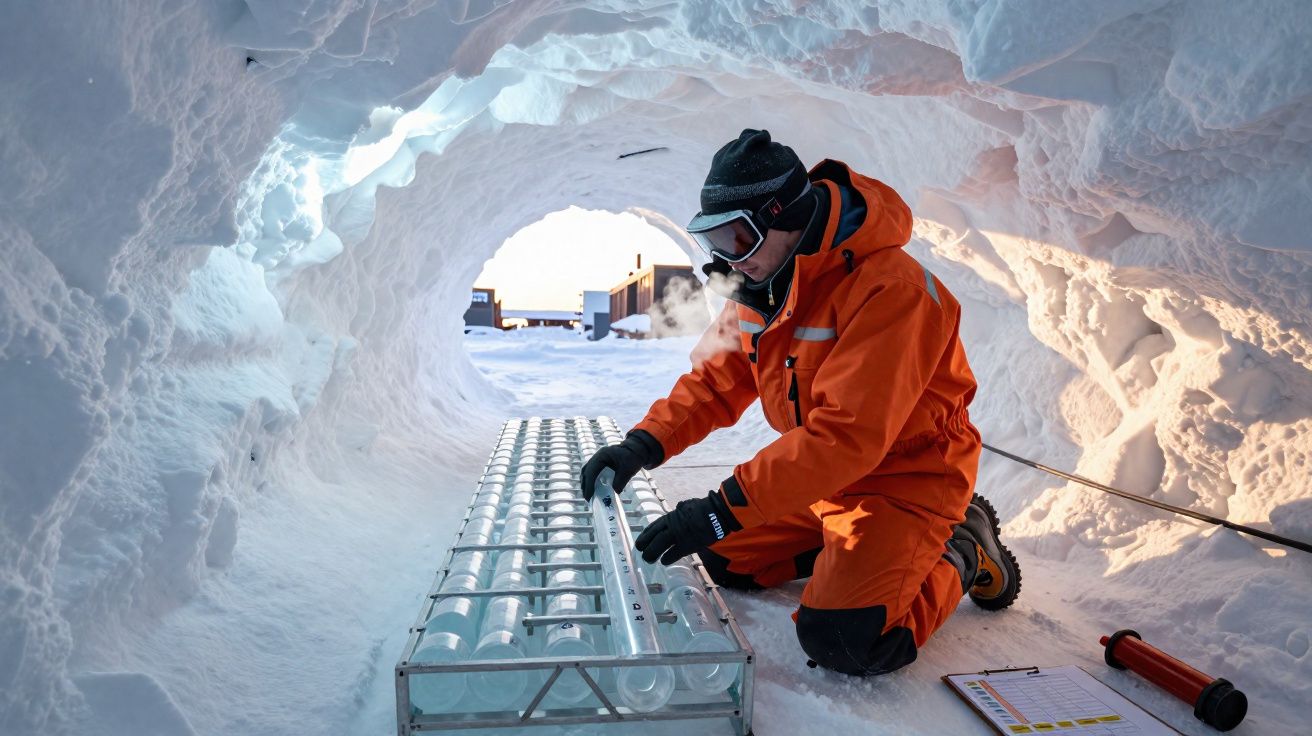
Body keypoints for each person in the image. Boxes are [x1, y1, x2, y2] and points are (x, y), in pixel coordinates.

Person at [580, 129, 1020, 676]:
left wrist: (720, 510)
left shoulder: (892, 290)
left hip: (907, 480)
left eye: (736, 238)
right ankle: (851, 556)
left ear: (784, 216)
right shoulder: (764, 285)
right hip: (825, 480)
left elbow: (846, 435)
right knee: (720, 559)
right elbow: (714, 383)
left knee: (844, 638)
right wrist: (642, 445)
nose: (728, 257)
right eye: (713, 240)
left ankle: (961, 547)